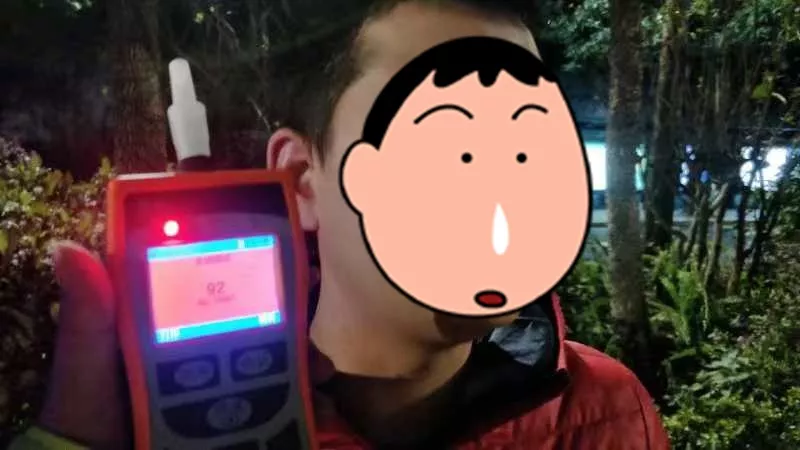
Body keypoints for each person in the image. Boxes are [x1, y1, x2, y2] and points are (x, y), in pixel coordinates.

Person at [10, 1, 671, 449]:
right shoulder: (157, 423)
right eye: (451, 152)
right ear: (302, 178)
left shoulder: (606, 409)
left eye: (525, 154)